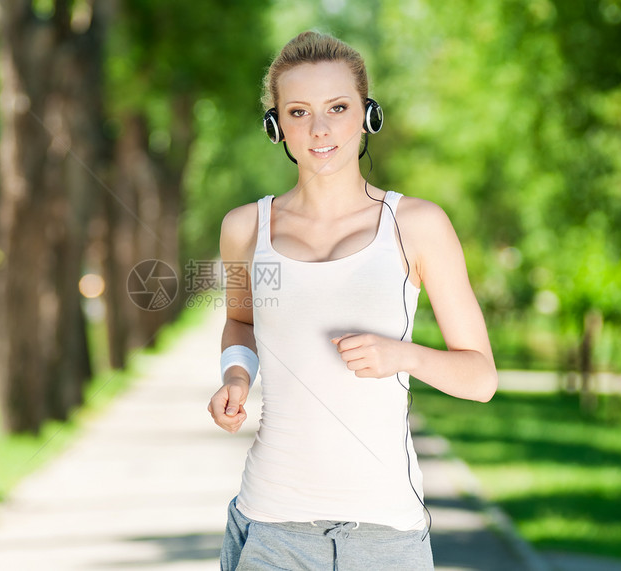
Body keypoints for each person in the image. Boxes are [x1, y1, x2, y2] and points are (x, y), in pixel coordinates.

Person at [208, 30, 497, 570]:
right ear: (276, 126)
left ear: (367, 114)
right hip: (272, 525)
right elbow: (240, 322)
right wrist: (236, 378)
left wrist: (403, 356)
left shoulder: (415, 226)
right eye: (298, 112)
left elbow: (481, 379)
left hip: (384, 533)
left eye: (338, 108)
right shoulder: (247, 229)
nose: (320, 129)